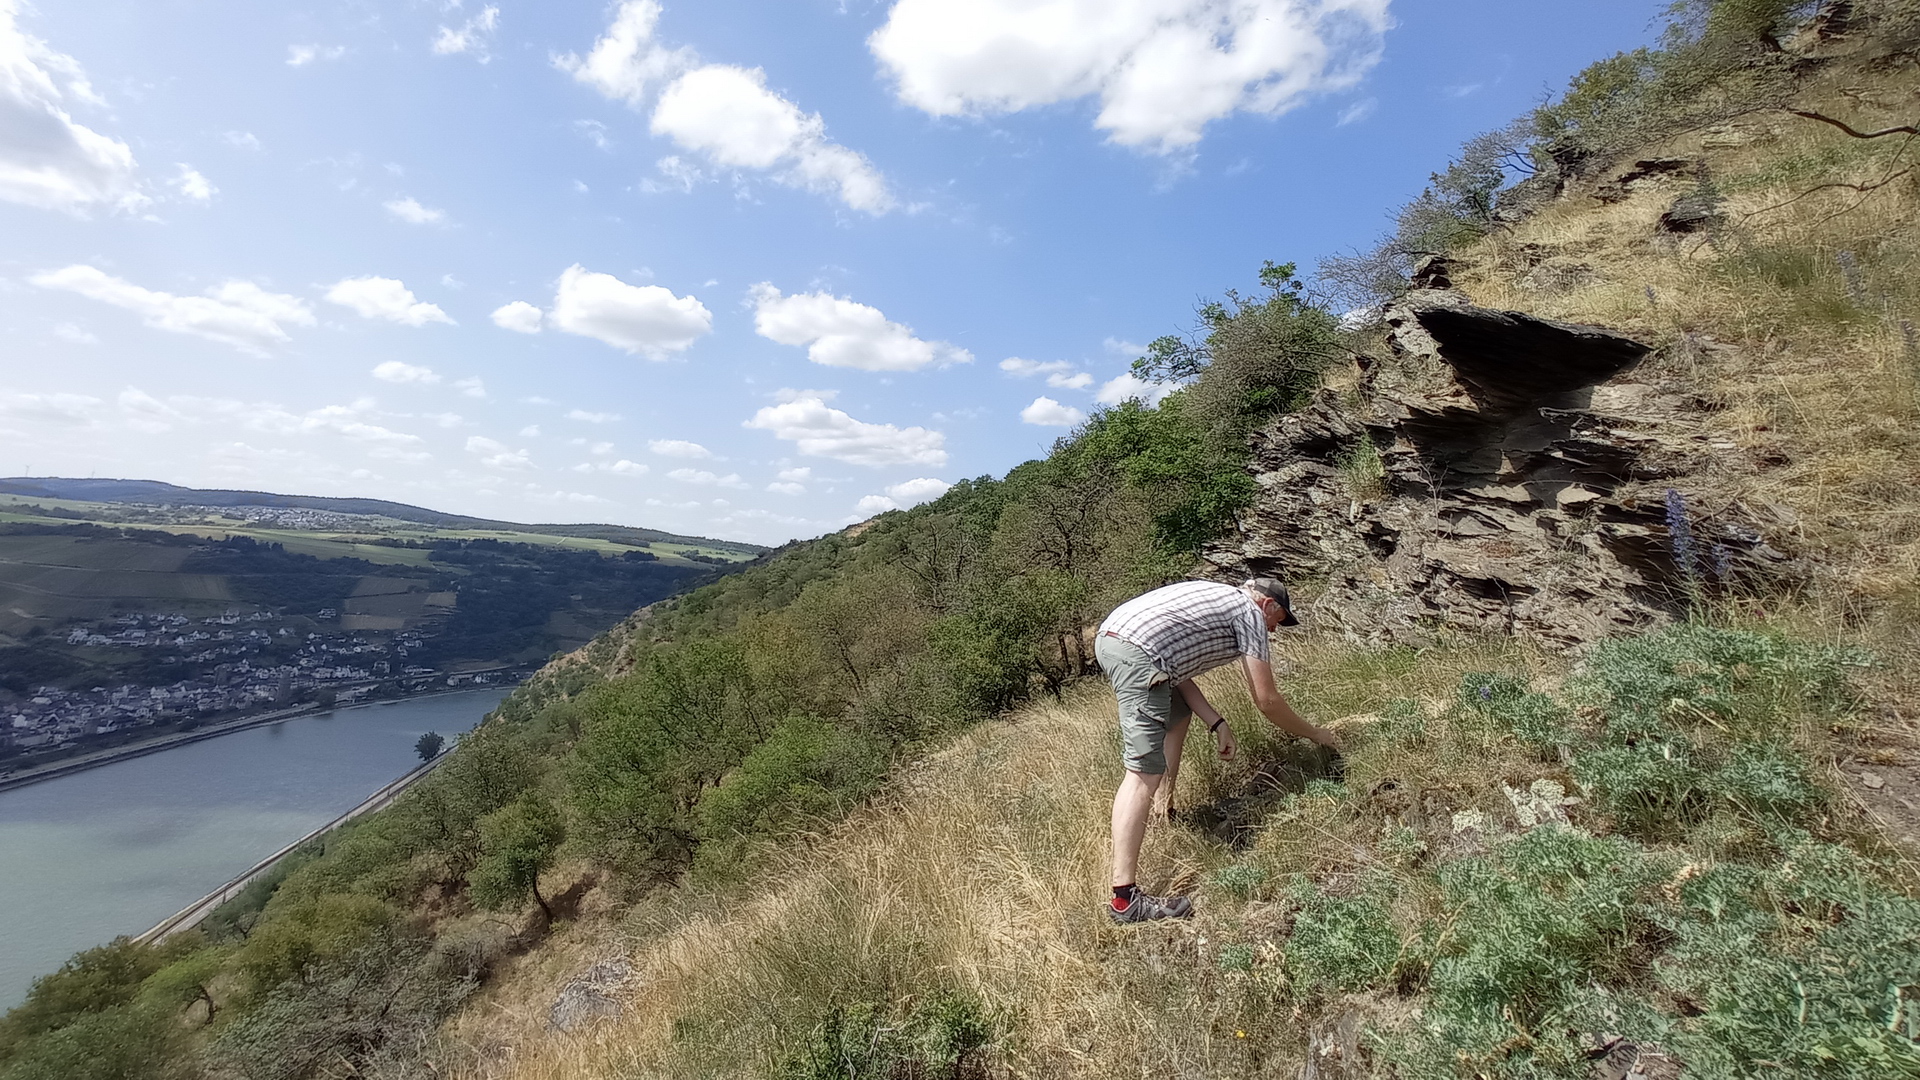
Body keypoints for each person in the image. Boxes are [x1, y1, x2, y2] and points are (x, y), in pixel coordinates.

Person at [1094, 577, 1342, 923]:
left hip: (1115, 639)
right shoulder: (1250, 613)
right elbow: (1267, 701)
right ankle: (1125, 900)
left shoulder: (1219, 596)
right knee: (1141, 775)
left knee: (1178, 714)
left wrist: (1216, 722)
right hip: (1137, 654)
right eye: (1278, 620)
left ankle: (1163, 810)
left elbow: (1175, 671)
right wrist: (1317, 735)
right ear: (1268, 605)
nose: (1273, 630)